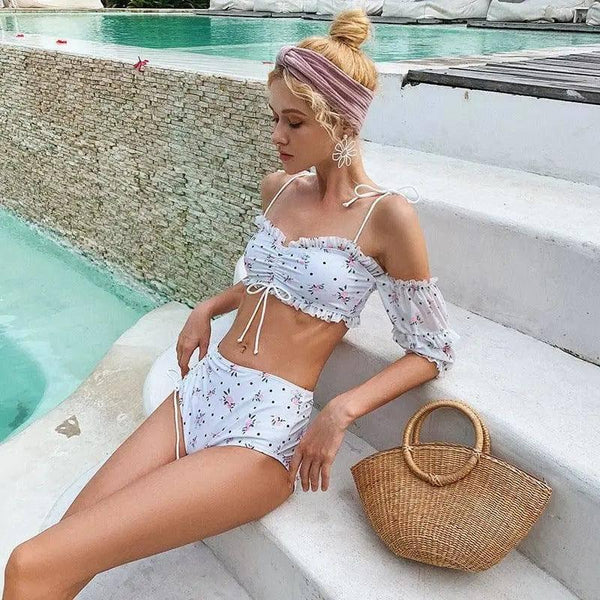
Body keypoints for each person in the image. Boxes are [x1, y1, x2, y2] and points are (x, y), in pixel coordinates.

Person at [2, 9, 459, 599]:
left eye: (294, 122)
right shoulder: (280, 190)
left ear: (342, 120)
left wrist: (343, 409)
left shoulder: (387, 217)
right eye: (275, 118)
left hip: (264, 431)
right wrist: (208, 307)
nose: (277, 136)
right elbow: (270, 282)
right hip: (204, 388)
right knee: (60, 550)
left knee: (28, 563)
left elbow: (431, 349)